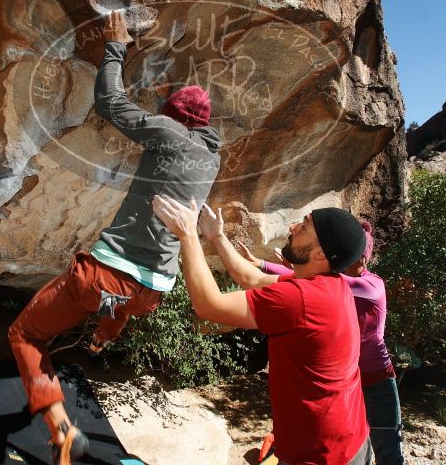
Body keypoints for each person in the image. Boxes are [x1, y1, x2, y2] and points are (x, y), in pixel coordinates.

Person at [7, 11, 221, 460]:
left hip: (105, 275)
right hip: (150, 292)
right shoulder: (209, 158)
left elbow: (111, 104)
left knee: (25, 336)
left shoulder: (170, 133)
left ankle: (59, 428)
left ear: (176, 119)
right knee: (121, 300)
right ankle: (104, 336)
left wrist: (115, 47)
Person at [152, 196, 372, 465]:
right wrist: (217, 236)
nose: (293, 228)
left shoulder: (302, 299)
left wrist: (187, 236)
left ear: (320, 254)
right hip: (350, 437)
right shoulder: (328, 284)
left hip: (319, 454)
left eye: (304, 226)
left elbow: (210, 306)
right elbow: (252, 278)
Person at [239, 221, 404, 464]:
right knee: (354, 440)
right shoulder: (331, 280)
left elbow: (298, 278)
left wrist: (266, 266)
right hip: (348, 379)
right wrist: (263, 265)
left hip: (377, 376)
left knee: (388, 446)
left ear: (362, 259)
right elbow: (298, 279)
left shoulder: (371, 286)